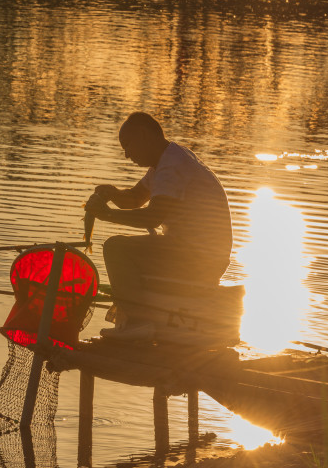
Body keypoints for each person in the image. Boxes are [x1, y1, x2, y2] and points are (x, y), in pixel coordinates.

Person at [84, 112, 232, 327]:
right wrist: (112, 193)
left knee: (115, 248)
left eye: (127, 146)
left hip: (201, 258)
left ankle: (136, 321)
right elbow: (135, 198)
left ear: (144, 135)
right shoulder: (165, 160)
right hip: (199, 254)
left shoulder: (172, 165)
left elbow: (153, 217)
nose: (126, 155)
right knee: (127, 249)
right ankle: (141, 314)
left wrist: (107, 215)